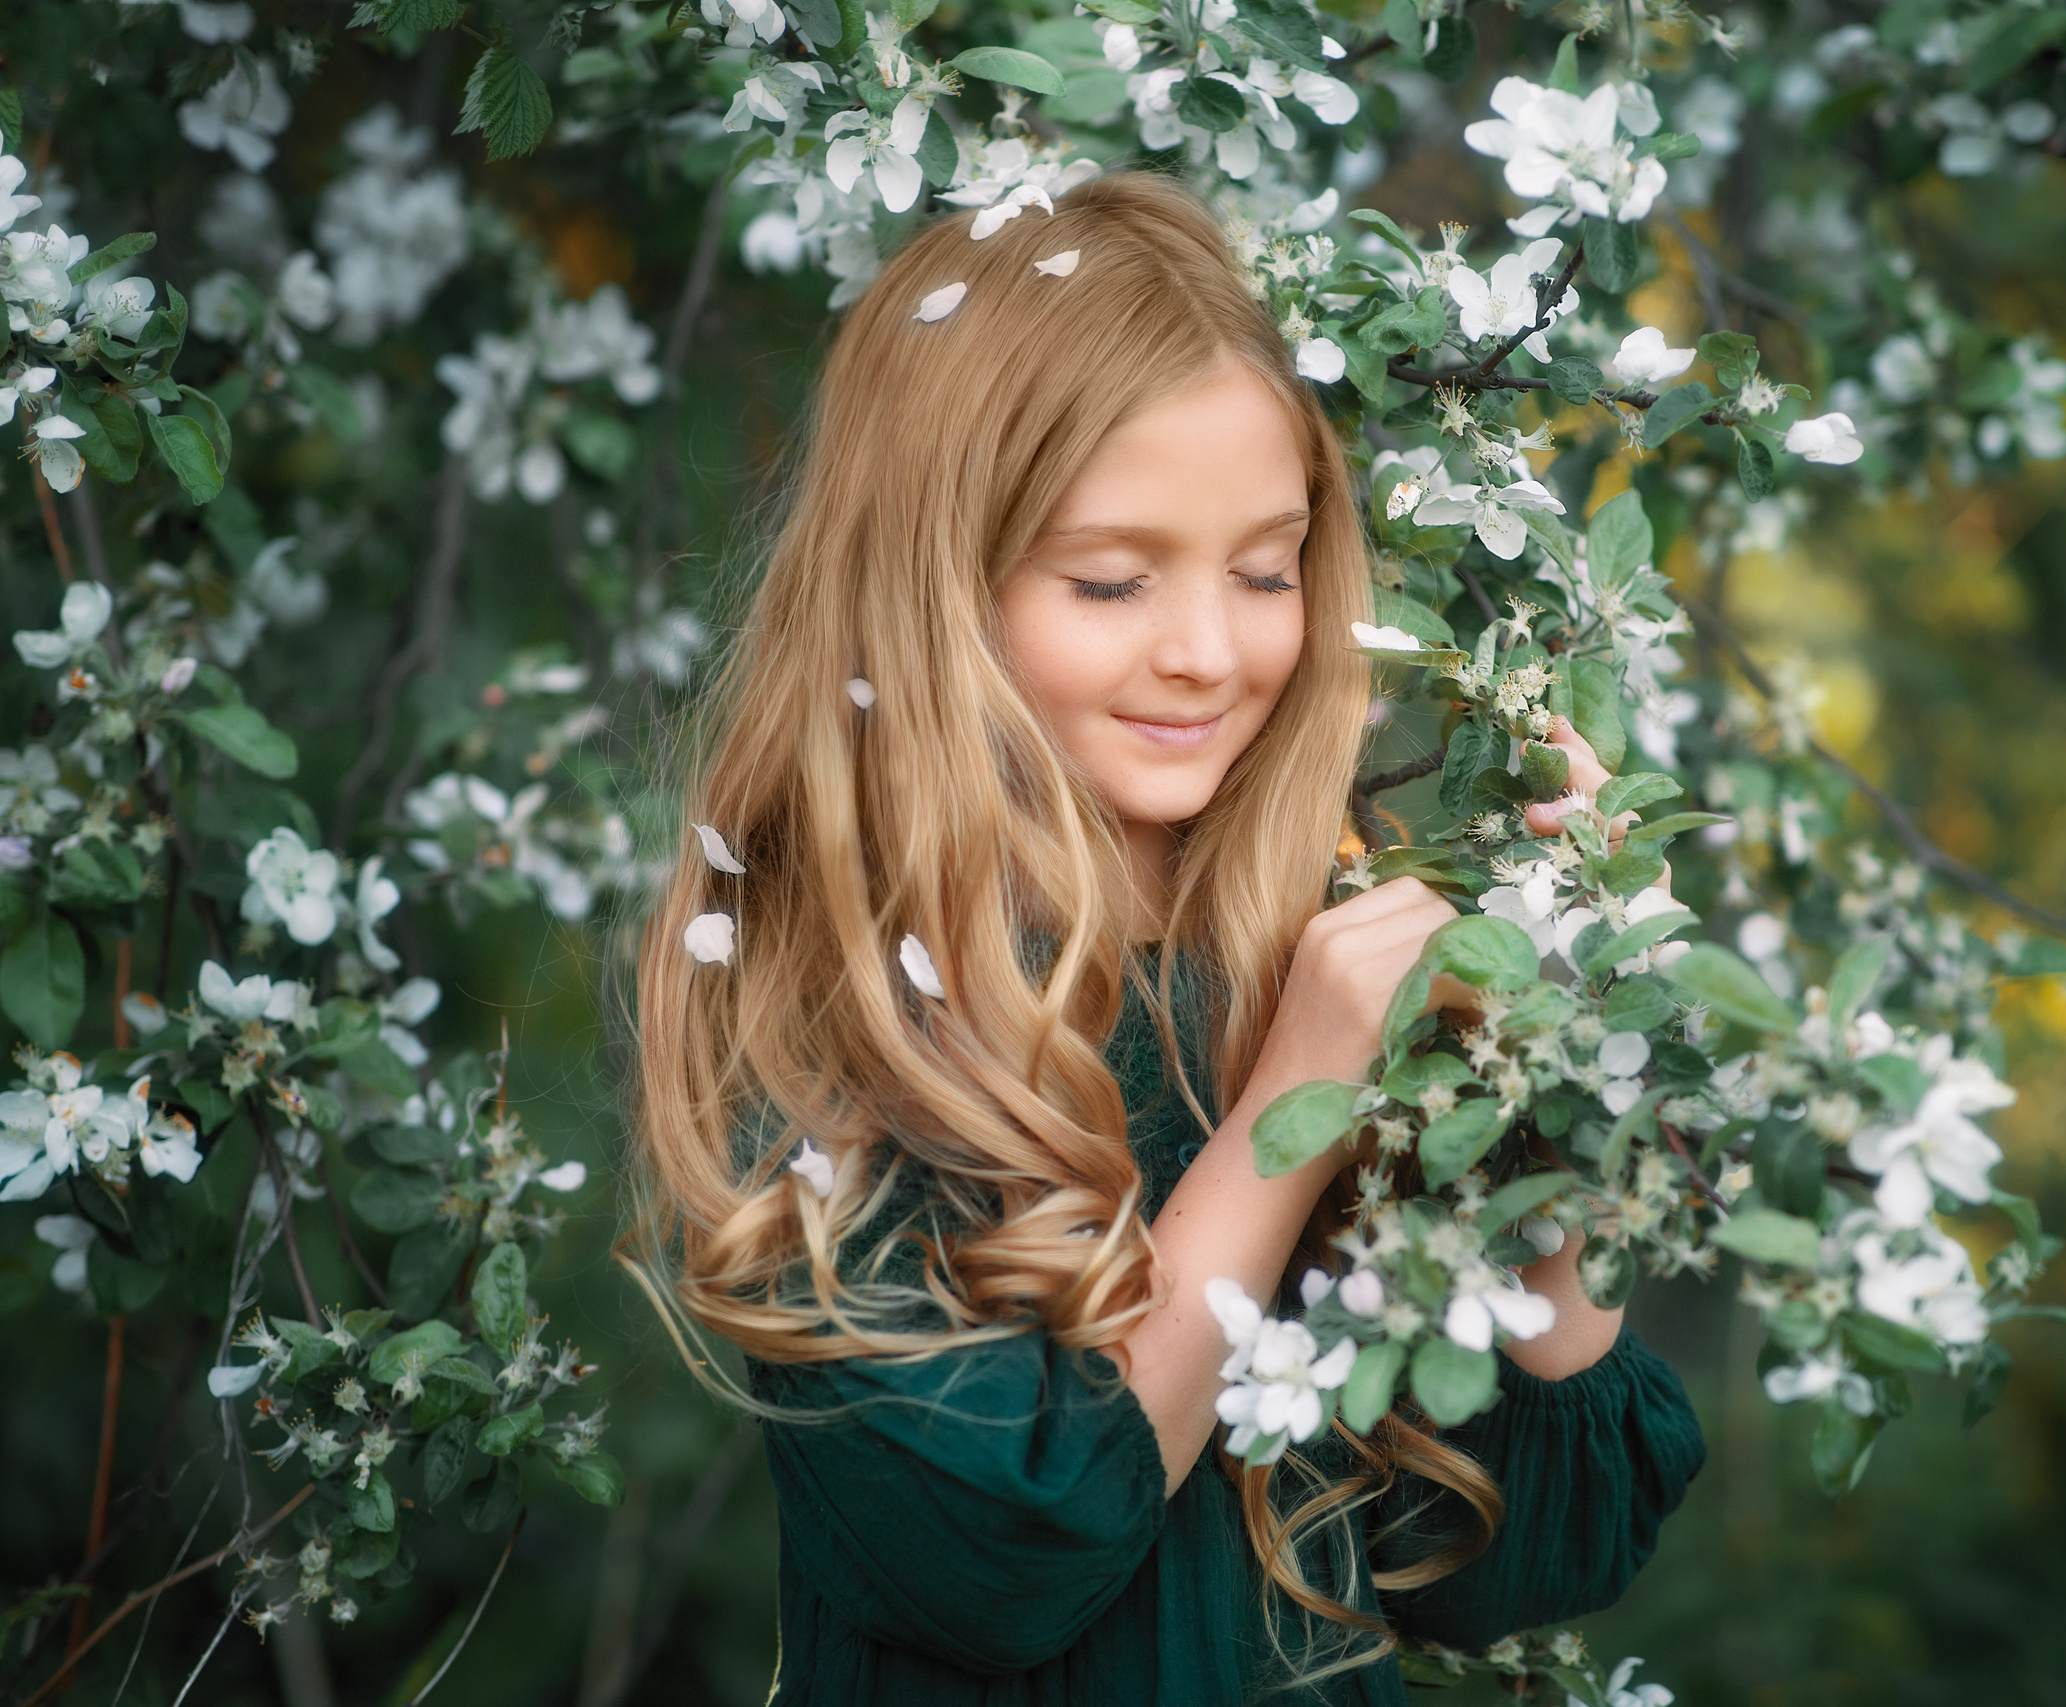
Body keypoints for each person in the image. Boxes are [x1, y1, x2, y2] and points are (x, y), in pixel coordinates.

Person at [628, 172, 1704, 1706]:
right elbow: (1015, 1558)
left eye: (1266, 572)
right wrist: (1295, 1105)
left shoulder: (1302, 942)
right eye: (1112, 580)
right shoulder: (834, 1005)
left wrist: (1562, 1060)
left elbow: (1523, 1559)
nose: (1208, 651)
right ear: (936, 587)